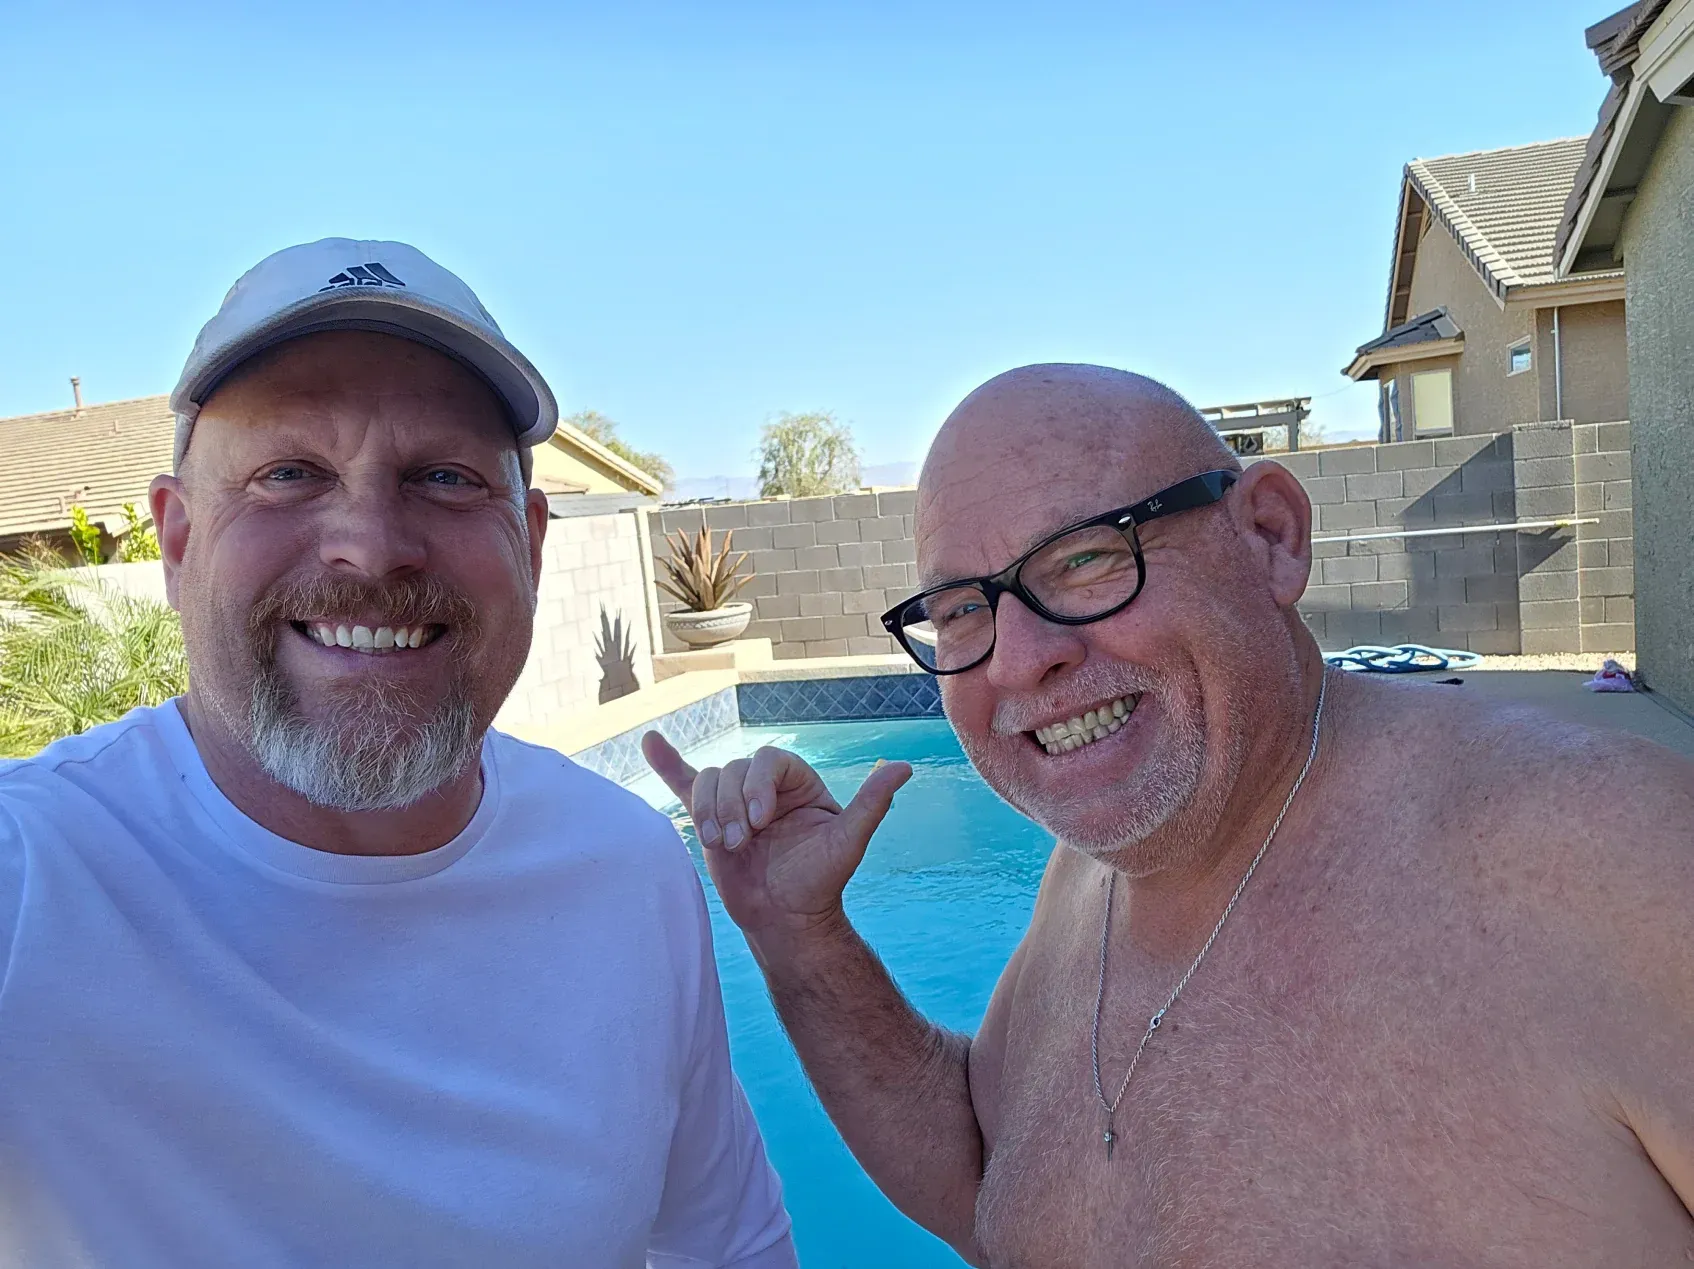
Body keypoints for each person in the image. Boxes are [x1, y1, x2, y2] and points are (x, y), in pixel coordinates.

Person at [646, 363, 1694, 1266]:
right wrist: (800, 943)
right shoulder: (1087, 876)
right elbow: (994, 1187)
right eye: (962, 607)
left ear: (1270, 536)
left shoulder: (1613, 863)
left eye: (1089, 556)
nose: (1020, 657)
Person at [0, 239, 794, 1269]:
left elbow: (724, 1247)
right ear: (179, 539)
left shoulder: (622, 863)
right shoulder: (32, 882)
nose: (372, 547)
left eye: (446, 478)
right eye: (289, 474)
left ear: (533, 543)